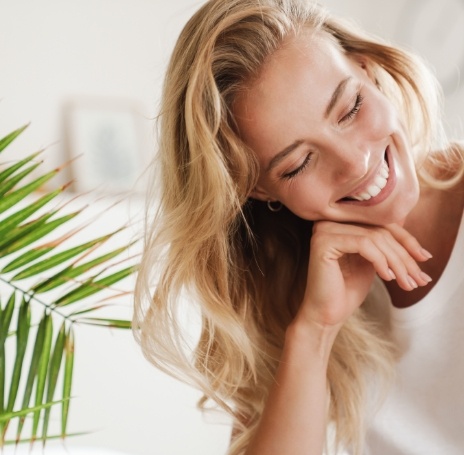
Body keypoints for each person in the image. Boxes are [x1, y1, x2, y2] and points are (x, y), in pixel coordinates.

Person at [133, 0, 464, 453]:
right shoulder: (285, 295)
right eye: (299, 163)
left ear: (367, 71)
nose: (355, 162)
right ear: (261, 191)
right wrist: (314, 332)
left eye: (350, 108)